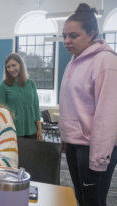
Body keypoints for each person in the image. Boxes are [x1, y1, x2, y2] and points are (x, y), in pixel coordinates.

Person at [59, 3, 117, 206]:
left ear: (92, 33)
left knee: (94, 202)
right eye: (64, 35)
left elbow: (108, 114)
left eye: (73, 36)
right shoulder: (73, 62)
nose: (66, 41)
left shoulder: (105, 62)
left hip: (93, 147)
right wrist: (66, 137)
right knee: (82, 200)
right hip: (76, 145)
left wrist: (99, 158)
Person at [0, 53, 42, 141]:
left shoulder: (31, 83)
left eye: (14, 65)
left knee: (32, 155)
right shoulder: (3, 86)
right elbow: (1, 112)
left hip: (32, 130)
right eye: (8, 67)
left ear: (21, 65)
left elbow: (36, 107)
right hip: (12, 131)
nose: (11, 69)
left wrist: (39, 129)